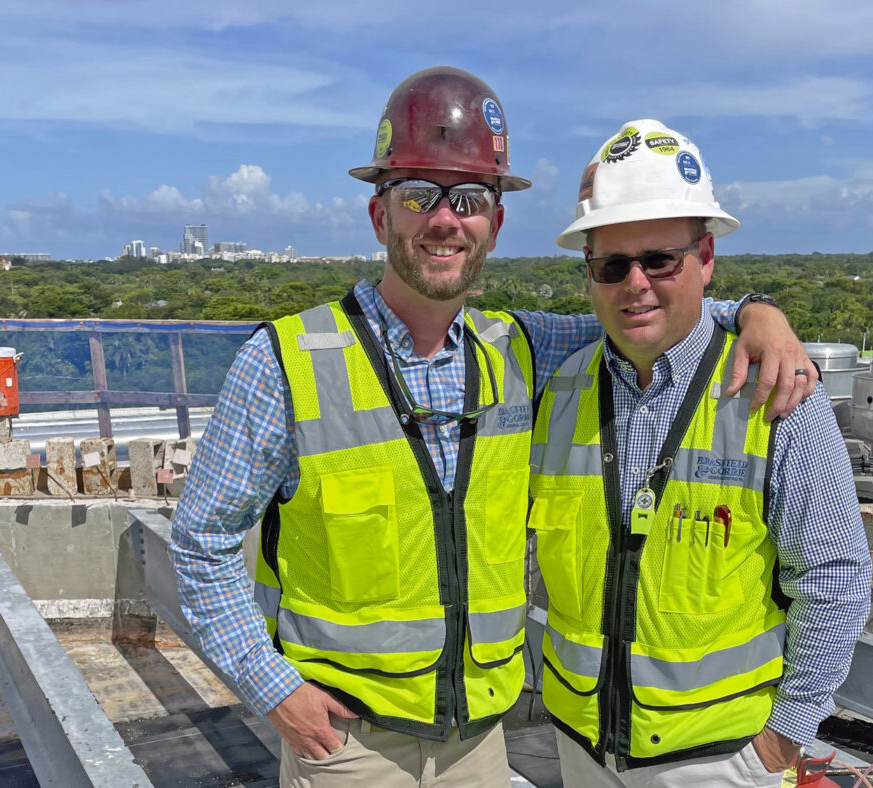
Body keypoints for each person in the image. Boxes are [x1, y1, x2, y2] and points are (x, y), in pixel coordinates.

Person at [170, 71, 815, 788]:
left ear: (495, 224)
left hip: (481, 746)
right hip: (347, 746)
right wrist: (272, 690)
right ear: (380, 216)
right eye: (419, 194)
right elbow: (201, 544)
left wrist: (758, 313)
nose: (446, 220)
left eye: (471, 199)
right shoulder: (285, 365)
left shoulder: (519, 349)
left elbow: (650, 311)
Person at [530, 118, 873, 787]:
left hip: (720, 763)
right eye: (611, 264)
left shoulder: (775, 396)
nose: (636, 284)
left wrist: (781, 742)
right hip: (580, 750)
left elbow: (834, 576)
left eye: (660, 259)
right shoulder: (559, 387)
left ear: (706, 257)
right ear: (590, 273)